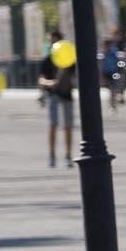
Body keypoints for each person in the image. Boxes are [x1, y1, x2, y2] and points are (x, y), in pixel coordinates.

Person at [35, 37, 77, 167]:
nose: (53, 44)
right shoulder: (47, 60)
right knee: (53, 124)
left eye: (55, 41)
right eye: (51, 41)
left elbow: (73, 76)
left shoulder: (69, 58)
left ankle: (68, 155)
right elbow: (41, 79)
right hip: (53, 94)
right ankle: (52, 155)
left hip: (66, 93)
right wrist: (49, 83)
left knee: (68, 126)